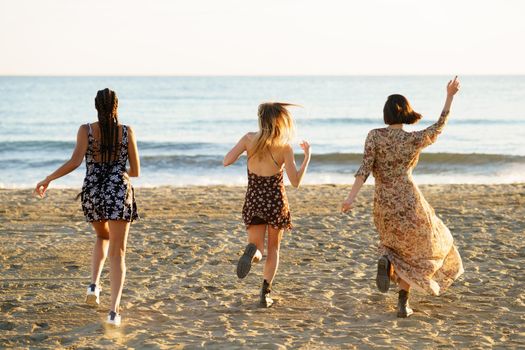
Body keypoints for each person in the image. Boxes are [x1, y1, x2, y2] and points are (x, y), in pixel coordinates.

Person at [341, 77, 464, 318]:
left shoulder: (374, 136)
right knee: (418, 249)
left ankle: (387, 262)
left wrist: (350, 198)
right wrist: (449, 96)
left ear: (386, 114)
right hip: (409, 199)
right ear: (406, 113)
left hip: (384, 202)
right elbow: (439, 125)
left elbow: (364, 170)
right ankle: (402, 302)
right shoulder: (412, 139)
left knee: (392, 246)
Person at [35, 88, 139, 326]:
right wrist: (117, 173)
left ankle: (93, 286)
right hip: (118, 191)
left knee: (103, 237)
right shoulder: (126, 131)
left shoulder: (86, 130)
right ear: (117, 106)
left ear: (96, 106)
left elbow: (74, 162)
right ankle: (113, 312)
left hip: (92, 192)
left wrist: (48, 179)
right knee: (118, 253)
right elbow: (136, 171)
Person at [223, 102, 311, 307]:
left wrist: (244, 153)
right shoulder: (284, 148)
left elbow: (227, 160)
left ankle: (252, 253)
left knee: (258, 248)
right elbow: (296, 182)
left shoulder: (248, 139)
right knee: (274, 249)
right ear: (279, 120)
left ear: (260, 119)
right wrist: (307, 157)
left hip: (254, 199)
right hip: (276, 202)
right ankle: (265, 293)